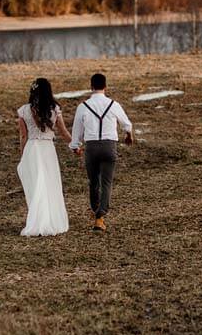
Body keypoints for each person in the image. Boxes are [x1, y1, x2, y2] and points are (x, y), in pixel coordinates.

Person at [69, 73, 134, 232]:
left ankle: (96, 211)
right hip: (109, 147)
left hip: (91, 148)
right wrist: (128, 135)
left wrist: (75, 145)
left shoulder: (83, 106)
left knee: (94, 182)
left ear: (91, 87)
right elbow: (127, 124)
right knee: (106, 183)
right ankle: (100, 217)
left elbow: (77, 130)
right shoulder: (114, 104)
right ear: (105, 87)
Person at [15, 78, 72, 236]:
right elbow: (64, 132)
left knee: (36, 185)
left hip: (32, 149)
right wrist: (75, 145)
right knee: (50, 184)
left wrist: (23, 156)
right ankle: (52, 221)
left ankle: (38, 221)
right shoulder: (54, 109)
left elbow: (23, 136)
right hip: (48, 149)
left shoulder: (24, 110)